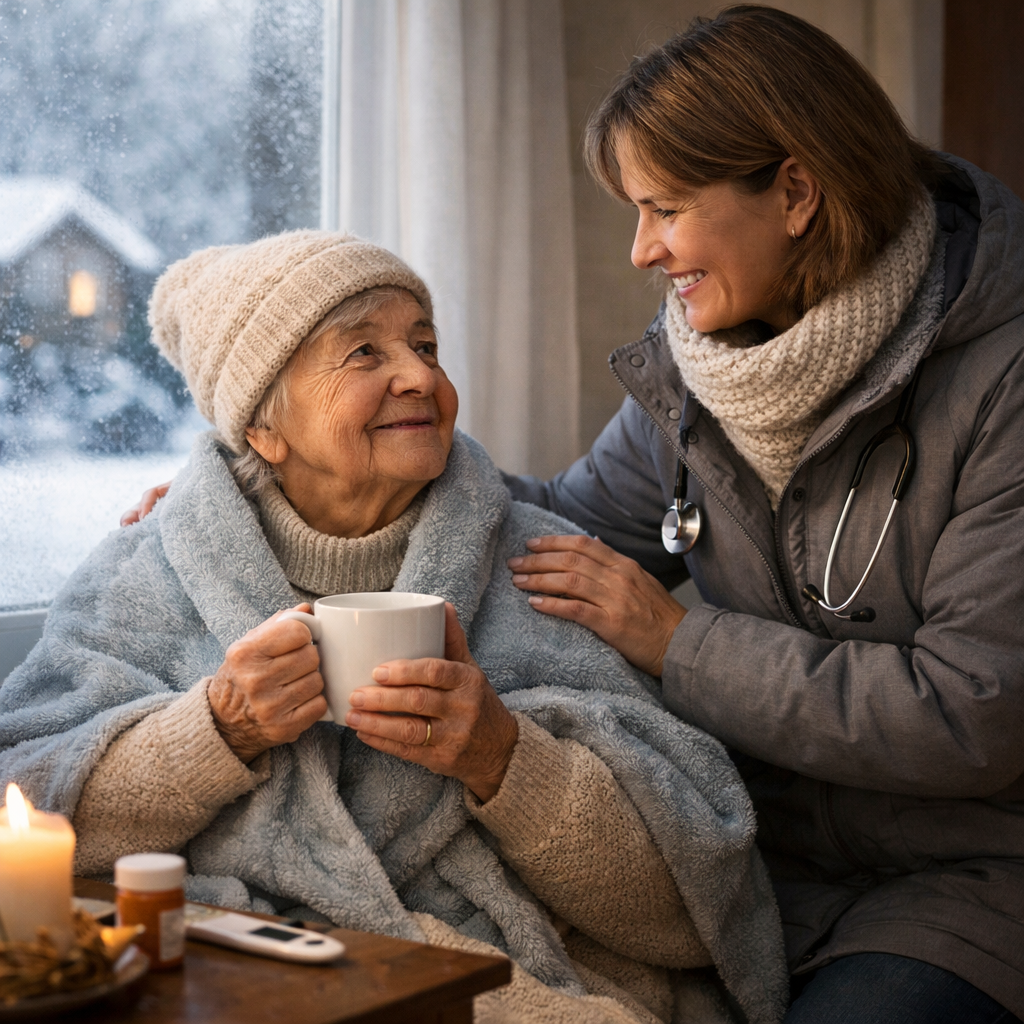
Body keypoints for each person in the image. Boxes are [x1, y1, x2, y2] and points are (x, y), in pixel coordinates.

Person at [0, 232, 787, 1024]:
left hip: (495, 983)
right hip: (244, 975)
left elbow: (693, 909)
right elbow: (24, 803)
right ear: (263, 429)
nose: (419, 376)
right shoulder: (147, 571)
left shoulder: (541, 565)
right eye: (363, 353)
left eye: (425, 345)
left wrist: (500, 757)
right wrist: (216, 731)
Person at [495, 8, 1023, 1024]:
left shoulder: (1003, 378)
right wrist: (316, 486)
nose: (643, 250)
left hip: (973, 884)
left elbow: (973, 715)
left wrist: (678, 642)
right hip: (750, 865)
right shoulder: (708, 368)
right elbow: (562, 529)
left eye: (664, 209)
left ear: (792, 191)